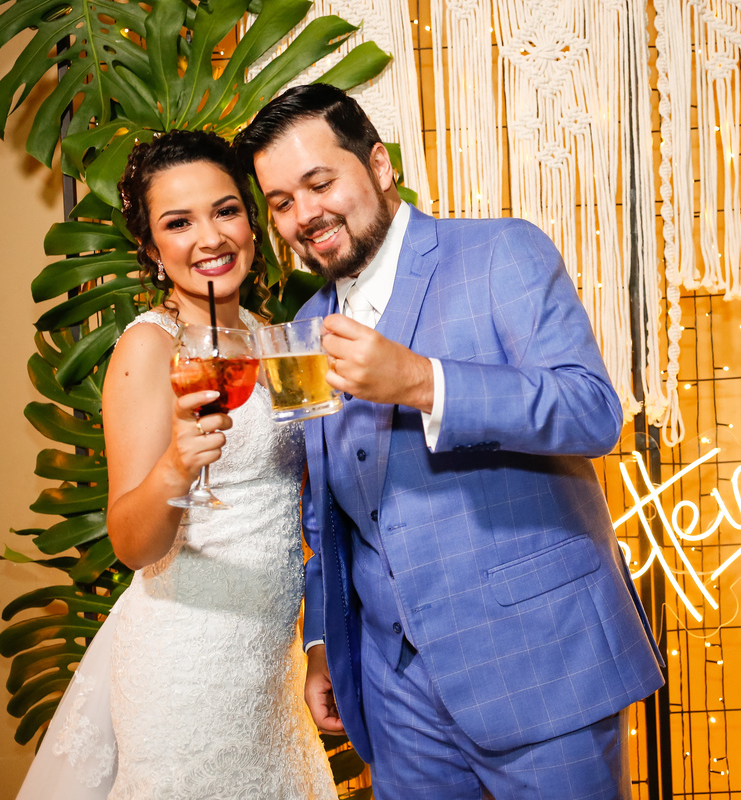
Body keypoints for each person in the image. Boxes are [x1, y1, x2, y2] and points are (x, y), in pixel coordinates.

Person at [236, 84, 665, 799]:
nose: (304, 215)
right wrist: (322, 643)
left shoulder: (501, 252)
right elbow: (324, 517)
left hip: (542, 664)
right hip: (396, 697)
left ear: (379, 165)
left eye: (320, 183)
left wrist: (420, 380)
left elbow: (591, 412)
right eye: (281, 202)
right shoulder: (305, 325)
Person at [16, 129, 336, 799]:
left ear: (251, 219)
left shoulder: (270, 339)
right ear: (152, 247)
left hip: (269, 675)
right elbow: (132, 545)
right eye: (178, 223)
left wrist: (319, 642)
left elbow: (305, 508)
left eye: (225, 210)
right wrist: (174, 468)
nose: (210, 238)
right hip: (186, 668)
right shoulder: (149, 347)